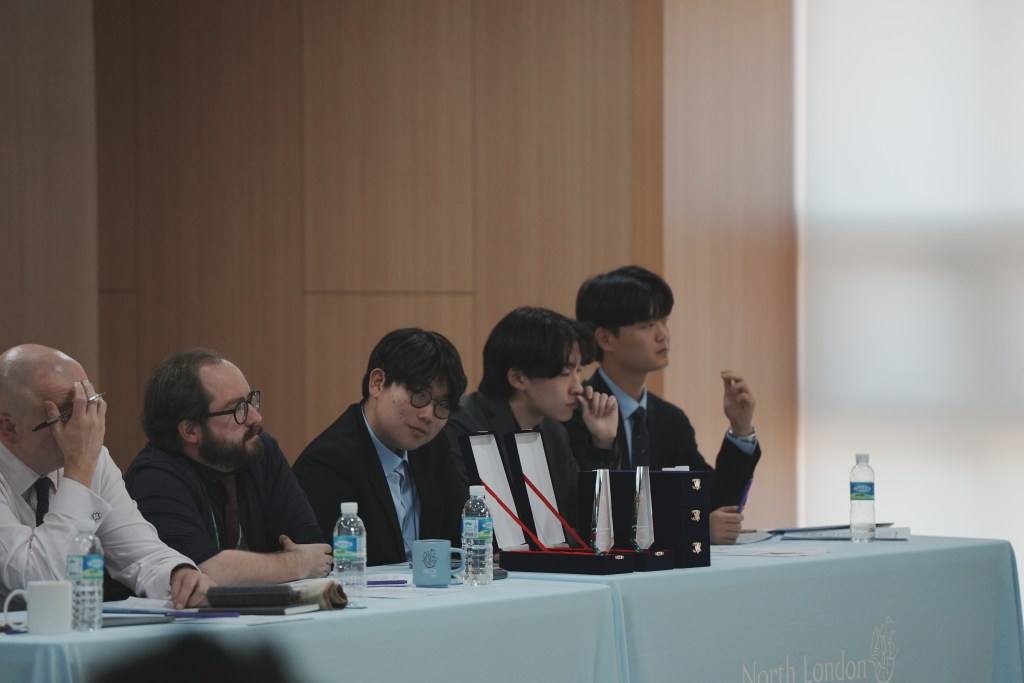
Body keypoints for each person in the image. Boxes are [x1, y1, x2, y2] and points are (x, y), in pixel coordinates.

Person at [0, 344, 210, 608]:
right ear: (9, 428)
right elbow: (40, 582)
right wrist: (78, 470)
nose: (87, 425)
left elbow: (139, 554)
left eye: (89, 405)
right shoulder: (83, 460)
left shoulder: (93, 460)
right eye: (69, 414)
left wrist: (178, 574)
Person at [569, 265, 761, 544]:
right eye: (647, 325)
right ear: (606, 339)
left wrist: (740, 430)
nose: (663, 335)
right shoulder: (577, 413)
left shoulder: (670, 420)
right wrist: (690, 528)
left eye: (664, 321)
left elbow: (715, 501)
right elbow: (587, 519)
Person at [124, 349, 332, 585]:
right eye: (238, 409)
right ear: (190, 430)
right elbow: (200, 573)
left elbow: (313, 549)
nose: (255, 417)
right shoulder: (155, 479)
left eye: (251, 401)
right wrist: (294, 564)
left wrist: (275, 565)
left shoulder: (261, 452)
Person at [293, 328, 468, 566]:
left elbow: (459, 539)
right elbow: (334, 567)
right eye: (419, 395)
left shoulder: (433, 448)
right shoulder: (327, 463)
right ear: (377, 383)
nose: (428, 415)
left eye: (443, 405)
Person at [444, 307, 617, 538]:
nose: (578, 387)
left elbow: (584, 522)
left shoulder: (554, 431)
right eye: (565, 373)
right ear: (518, 378)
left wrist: (602, 443)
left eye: (578, 371)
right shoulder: (462, 428)